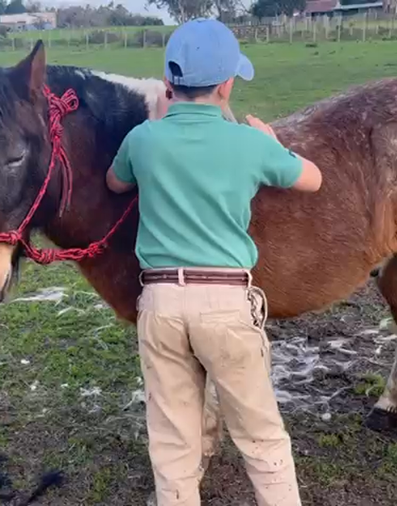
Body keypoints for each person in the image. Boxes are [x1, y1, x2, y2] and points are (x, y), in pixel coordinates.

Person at [104, 18, 323, 506]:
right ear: (226, 86)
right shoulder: (248, 143)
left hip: (160, 301)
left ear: (169, 82)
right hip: (225, 303)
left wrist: (158, 132)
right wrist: (273, 144)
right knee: (261, 437)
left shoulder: (143, 139)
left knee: (172, 443)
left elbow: (115, 183)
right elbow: (313, 179)